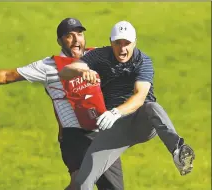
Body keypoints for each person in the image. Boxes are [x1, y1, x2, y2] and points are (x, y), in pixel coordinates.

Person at [0, 18, 124, 190]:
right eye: (69, 36)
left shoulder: (98, 56)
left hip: (103, 131)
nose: (76, 40)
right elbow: (7, 75)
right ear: (60, 41)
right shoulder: (48, 66)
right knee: (80, 184)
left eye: (79, 34)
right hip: (73, 135)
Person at [58, 20, 195, 189]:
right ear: (111, 42)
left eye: (127, 43)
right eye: (118, 43)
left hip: (141, 122)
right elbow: (65, 72)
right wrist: (82, 70)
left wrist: (115, 112)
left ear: (135, 42)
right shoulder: (99, 56)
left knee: (152, 107)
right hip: (114, 129)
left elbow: (140, 97)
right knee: (82, 183)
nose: (122, 49)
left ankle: (178, 150)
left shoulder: (142, 61)